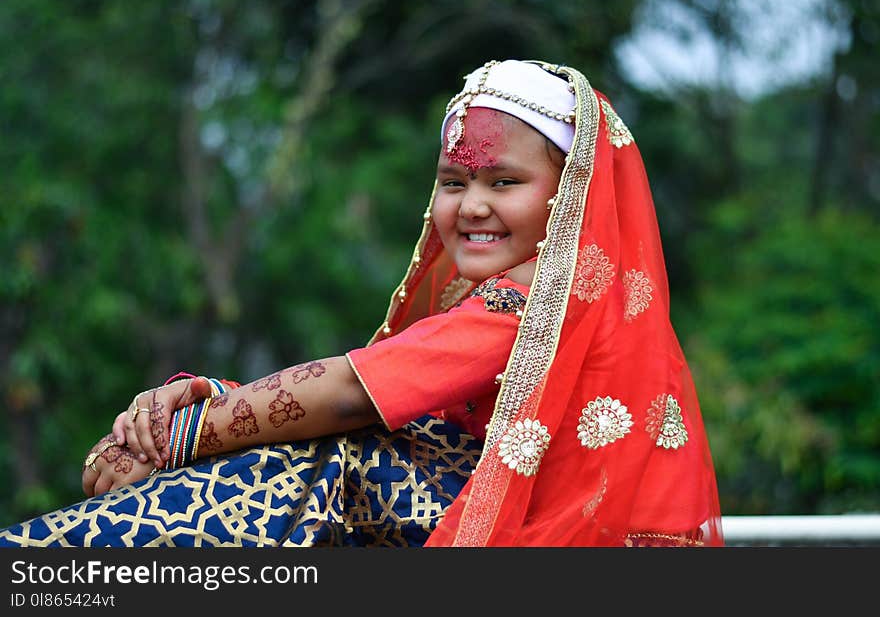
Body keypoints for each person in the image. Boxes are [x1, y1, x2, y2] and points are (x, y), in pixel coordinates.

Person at [0, 59, 724, 547]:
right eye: (452, 181)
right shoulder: (546, 296)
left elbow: (353, 393)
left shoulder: (542, 299)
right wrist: (209, 402)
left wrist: (177, 438)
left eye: (503, 182)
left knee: (345, 450)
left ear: (568, 191)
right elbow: (390, 401)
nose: (471, 205)